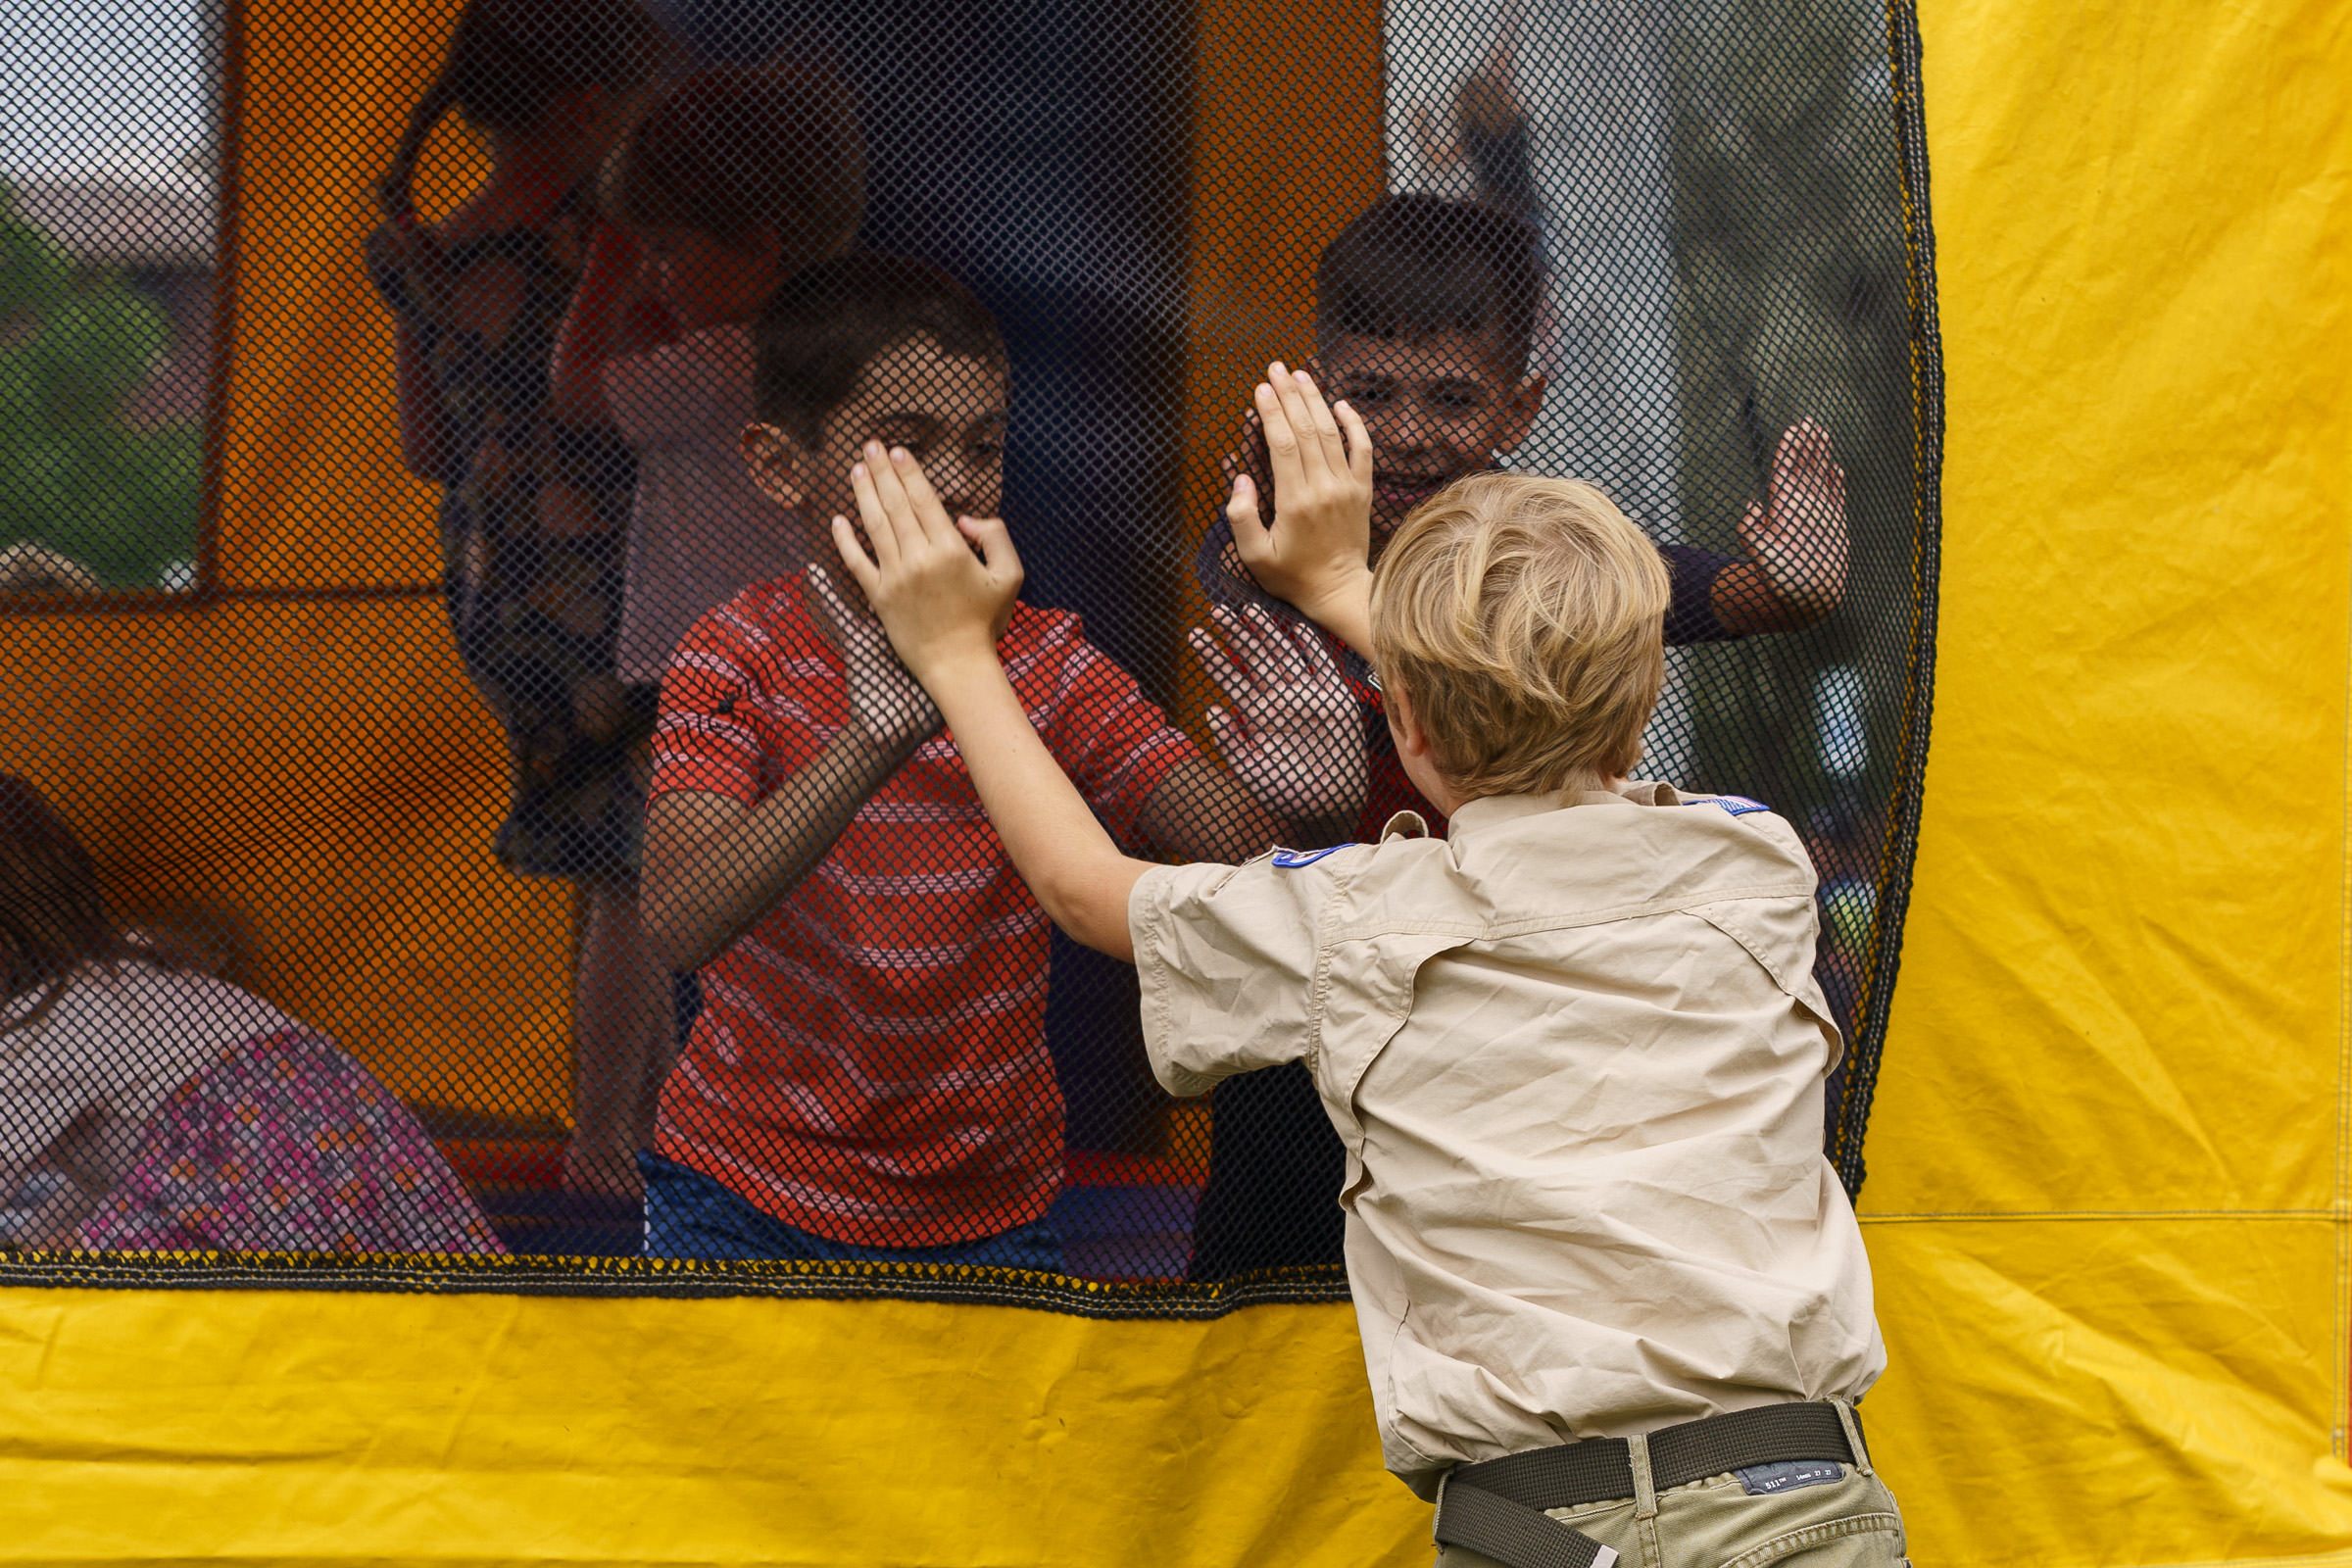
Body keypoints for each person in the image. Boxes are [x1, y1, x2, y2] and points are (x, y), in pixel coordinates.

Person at [831, 372, 1902, 1568]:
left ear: (1407, 728)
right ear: (1647, 694)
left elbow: (1085, 887)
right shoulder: (1753, 861)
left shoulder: (1361, 917)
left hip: (1544, 1525)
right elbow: (1490, 719)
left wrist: (955, 648)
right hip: (1804, 1492)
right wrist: (1348, 588)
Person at [635, 253, 1361, 1266]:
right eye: (903, 443)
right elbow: (680, 920)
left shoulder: (1049, 663)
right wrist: (868, 741)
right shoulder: (736, 653)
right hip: (744, 1189)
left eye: (983, 445)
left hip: (984, 1208)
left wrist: (1313, 812)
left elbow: (1241, 856)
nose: (952, 482)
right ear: (779, 466)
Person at [1187, 192, 1852, 1280]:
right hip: (1322, 956)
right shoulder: (1288, 522)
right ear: (1316, 388)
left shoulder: (1528, 536)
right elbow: (1240, 566)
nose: (1405, 431)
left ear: (1520, 404)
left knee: (1480, 1234)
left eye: (1452, 398)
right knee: (1275, 1226)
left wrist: (1773, 592)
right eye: (1369, 392)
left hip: (1495, 967)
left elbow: (1646, 591)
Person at [532, 58, 867, 1183]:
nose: (659, 274)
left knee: (634, 889)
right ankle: (694, 1116)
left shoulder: (724, 363)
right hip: (805, 668)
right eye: (655, 247)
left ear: (762, 247)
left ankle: (596, 1141)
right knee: (763, 896)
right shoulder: (819, 354)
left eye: (676, 248)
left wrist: (612, 256)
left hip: (703, 673)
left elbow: (575, 388)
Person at [365, 0, 673, 1196]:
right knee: (640, 862)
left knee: (620, 861)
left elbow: (426, 448)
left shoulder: (424, 246)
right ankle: (606, 1141)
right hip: (605, 580)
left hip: (495, 589)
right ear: (591, 111)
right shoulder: (598, 238)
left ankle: (650, 1117)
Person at [0, 776, 504, 1255]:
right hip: (358, 1143)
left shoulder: (37, 1032)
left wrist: (34, 1250)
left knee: (78, 1278)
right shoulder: (140, 970)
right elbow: (104, 1185)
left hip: (250, 1175)